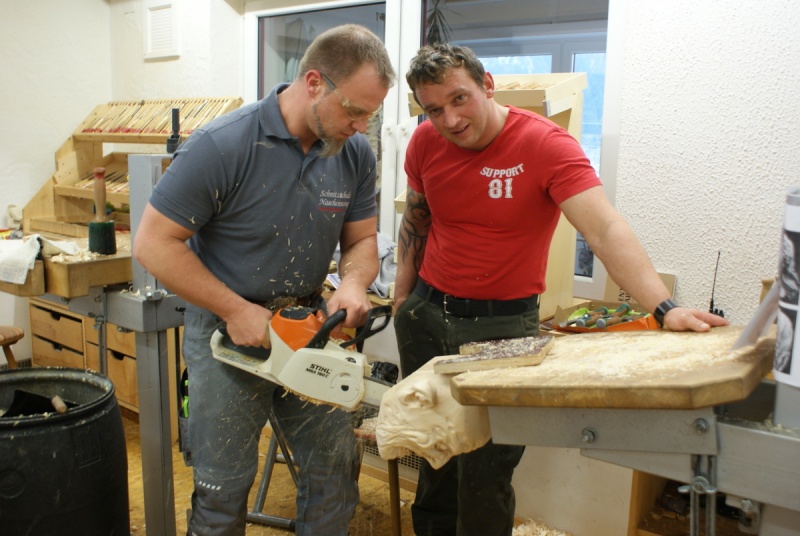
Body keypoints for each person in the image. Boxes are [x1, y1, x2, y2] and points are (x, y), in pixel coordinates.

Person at [393, 43, 728, 536]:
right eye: (434, 109)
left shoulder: (544, 144)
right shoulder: (425, 141)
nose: (450, 119)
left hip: (501, 328)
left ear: (488, 85)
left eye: (459, 99)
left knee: (486, 473)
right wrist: (402, 300)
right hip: (427, 312)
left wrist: (663, 307)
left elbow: (605, 229)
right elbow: (417, 219)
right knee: (433, 453)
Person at [132, 24, 395, 536]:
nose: (361, 126)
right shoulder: (222, 145)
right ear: (314, 83)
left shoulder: (353, 152)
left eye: (372, 115)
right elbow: (153, 244)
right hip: (228, 333)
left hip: (309, 329)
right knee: (222, 488)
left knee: (335, 476)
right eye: (354, 110)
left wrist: (353, 283)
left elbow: (362, 240)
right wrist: (234, 309)